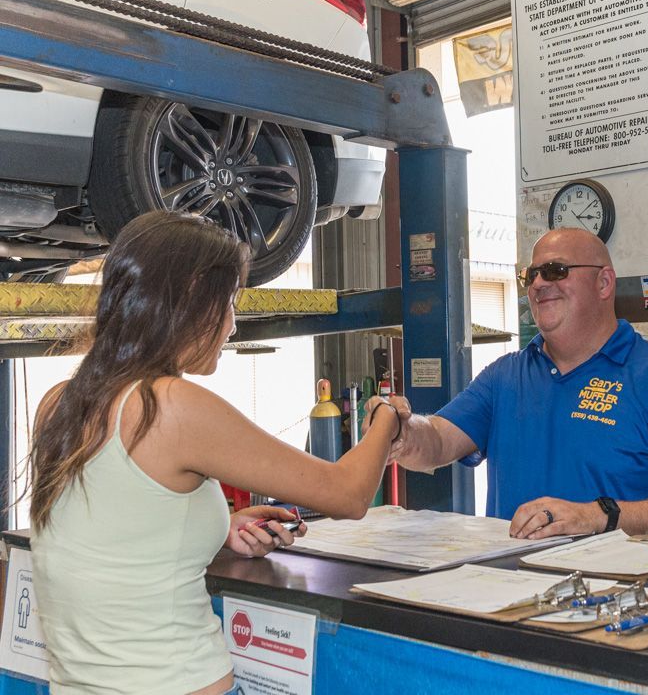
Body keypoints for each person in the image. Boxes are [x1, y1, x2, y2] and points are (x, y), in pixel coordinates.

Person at [28, 211, 403, 695]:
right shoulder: (167, 405)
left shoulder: (59, 403)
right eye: (228, 304)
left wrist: (219, 527)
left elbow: (110, 536)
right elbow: (348, 494)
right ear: (191, 299)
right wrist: (387, 415)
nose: (232, 326)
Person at [384, 228, 648, 539]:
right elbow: (439, 440)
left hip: (616, 596)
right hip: (514, 593)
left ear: (604, 283)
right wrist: (403, 432)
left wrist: (599, 516)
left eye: (555, 271)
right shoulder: (505, 376)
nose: (537, 284)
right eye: (530, 275)